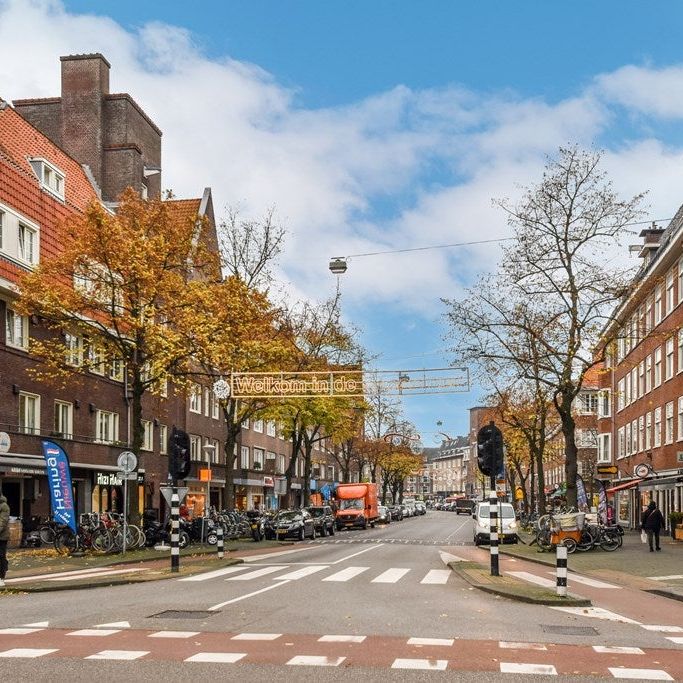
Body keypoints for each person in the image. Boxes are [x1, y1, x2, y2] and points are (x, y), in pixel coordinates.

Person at [0, 493, 9, 588]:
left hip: (2, 536)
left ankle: (1, 577)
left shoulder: (4, 506)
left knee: (1, 556)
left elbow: (3, 521)